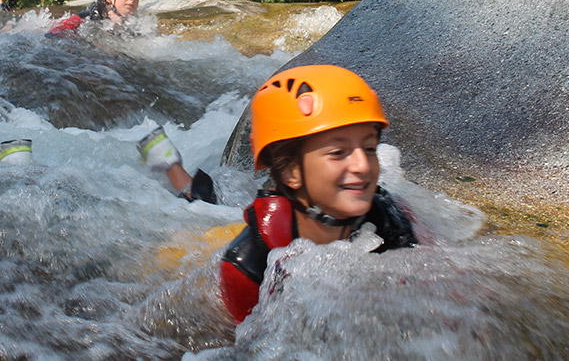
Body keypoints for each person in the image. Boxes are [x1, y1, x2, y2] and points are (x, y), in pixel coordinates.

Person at [143, 65, 418, 323]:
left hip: (286, 219)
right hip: (217, 246)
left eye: (369, 149)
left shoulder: (387, 216)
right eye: (338, 153)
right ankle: (168, 162)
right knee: (198, 205)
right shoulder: (248, 267)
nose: (363, 166)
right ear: (290, 171)